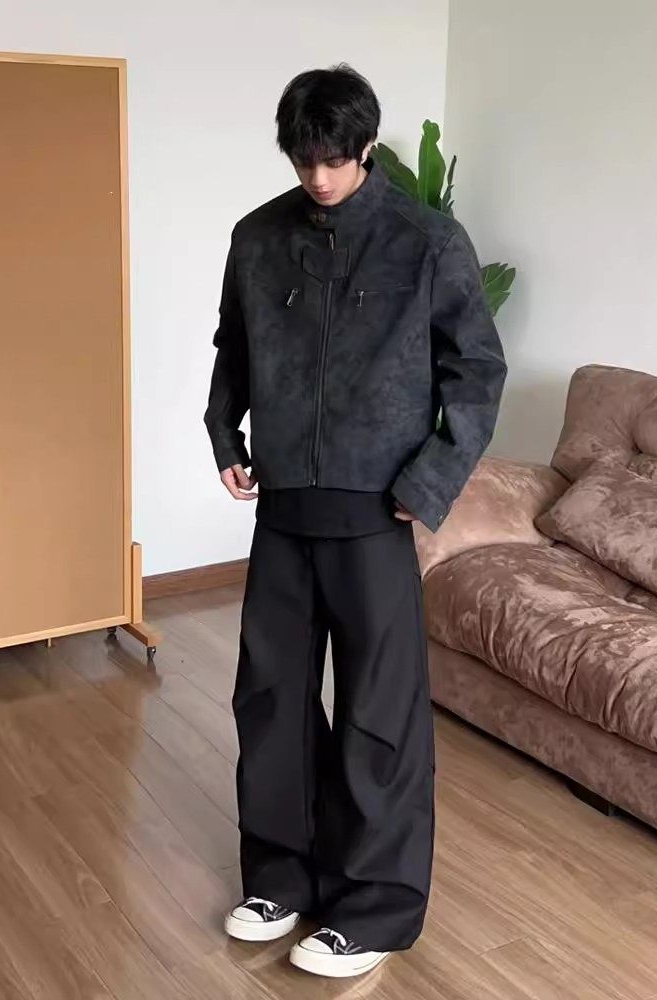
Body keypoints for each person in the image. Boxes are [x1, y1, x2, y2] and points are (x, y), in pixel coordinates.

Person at [204, 63, 506, 978]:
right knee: (271, 698)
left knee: (380, 714)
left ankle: (372, 908)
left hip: (378, 512)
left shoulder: (426, 241)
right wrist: (224, 431)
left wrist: (431, 479)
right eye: (305, 161)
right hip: (285, 509)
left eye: (335, 159)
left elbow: (476, 370)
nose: (320, 177)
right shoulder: (258, 237)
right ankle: (280, 879)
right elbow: (233, 346)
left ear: (366, 147)